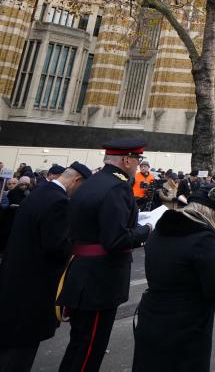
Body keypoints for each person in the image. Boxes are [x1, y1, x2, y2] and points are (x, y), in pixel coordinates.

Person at [0, 163, 90, 372]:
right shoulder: (58, 202)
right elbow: (57, 247)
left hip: (13, 282)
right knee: (18, 355)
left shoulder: (40, 193)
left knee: (2, 351)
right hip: (32, 289)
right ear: (76, 181)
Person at [57, 139, 153, 372]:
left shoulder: (93, 182)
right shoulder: (117, 187)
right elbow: (116, 239)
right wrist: (147, 230)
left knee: (79, 343)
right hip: (99, 278)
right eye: (137, 159)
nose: (139, 164)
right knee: (91, 347)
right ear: (126, 160)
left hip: (82, 271)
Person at [131, 186, 215, 372]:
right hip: (186, 323)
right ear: (213, 214)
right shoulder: (203, 237)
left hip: (151, 314)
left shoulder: (160, 229)